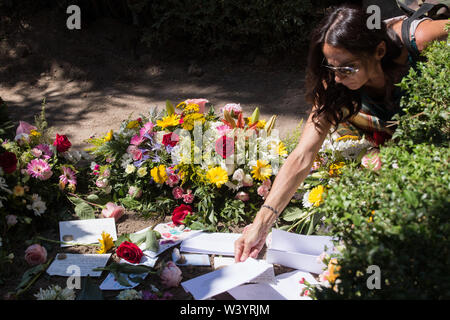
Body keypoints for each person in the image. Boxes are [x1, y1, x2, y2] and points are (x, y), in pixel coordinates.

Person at [234, 4, 449, 263]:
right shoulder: (334, 82)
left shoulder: (422, 39)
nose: (336, 78)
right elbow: (303, 155)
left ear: (379, 51)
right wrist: (261, 224)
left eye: (347, 68)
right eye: (332, 68)